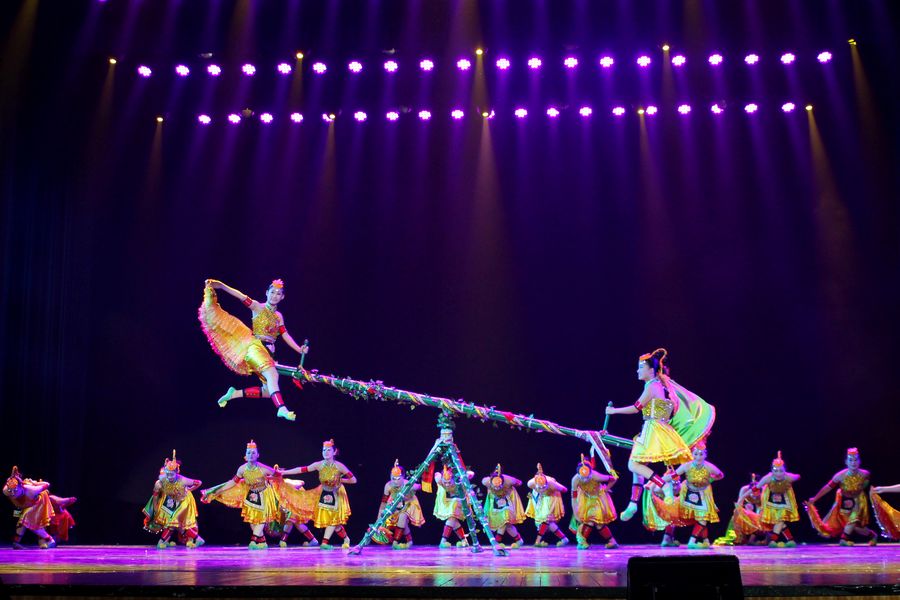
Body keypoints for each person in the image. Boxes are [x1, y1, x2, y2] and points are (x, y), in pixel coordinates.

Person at [605, 349, 715, 521]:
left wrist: (613, 411)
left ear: (651, 370)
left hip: (654, 429)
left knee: (633, 465)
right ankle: (633, 503)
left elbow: (636, 408)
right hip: (656, 429)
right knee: (638, 466)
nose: (637, 370)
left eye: (641, 367)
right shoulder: (659, 385)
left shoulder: (652, 386)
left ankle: (663, 486)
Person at [199, 278, 308, 421]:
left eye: (278, 293)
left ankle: (234, 394)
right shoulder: (257, 307)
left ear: (282, 297)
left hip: (268, 353)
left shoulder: (278, 317)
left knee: (268, 391)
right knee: (272, 375)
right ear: (266, 293)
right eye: (272, 292)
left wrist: (299, 349)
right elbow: (240, 296)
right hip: (255, 347)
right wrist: (221, 286)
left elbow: (285, 335)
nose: (274, 295)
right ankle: (281, 408)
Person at [276, 439, 356, 549]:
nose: (326, 452)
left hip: (336, 492)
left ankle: (324, 543)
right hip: (323, 493)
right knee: (334, 521)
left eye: (329, 450)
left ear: (334, 452)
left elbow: (353, 480)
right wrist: (284, 472)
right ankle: (346, 538)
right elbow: (301, 469)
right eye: (324, 450)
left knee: (333, 518)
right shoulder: (319, 465)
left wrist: (340, 480)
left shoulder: (339, 466)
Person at [200, 440, 280, 549]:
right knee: (252, 522)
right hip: (252, 495)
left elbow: (278, 475)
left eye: (253, 453)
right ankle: (263, 542)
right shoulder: (242, 469)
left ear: (258, 455)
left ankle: (253, 541)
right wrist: (219, 491)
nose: (251, 455)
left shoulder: (264, 468)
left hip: (265, 494)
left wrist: (272, 479)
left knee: (261, 519)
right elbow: (233, 482)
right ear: (245, 455)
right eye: (248, 452)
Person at [806, 448, 877, 546]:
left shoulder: (865, 474)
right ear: (846, 462)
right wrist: (815, 498)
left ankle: (843, 540)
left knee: (854, 519)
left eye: (855, 460)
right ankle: (873, 536)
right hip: (844, 501)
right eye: (850, 460)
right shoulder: (840, 476)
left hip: (858, 501)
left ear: (859, 461)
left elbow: (866, 483)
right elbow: (828, 488)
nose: (853, 462)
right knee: (855, 527)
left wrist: (862, 489)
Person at [142, 450, 204, 549]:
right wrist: (156, 508)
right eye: (168, 474)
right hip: (172, 501)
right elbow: (155, 496)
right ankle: (195, 539)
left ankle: (162, 541)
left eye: (172, 474)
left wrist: (190, 489)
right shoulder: (160, 482)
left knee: (174, 522)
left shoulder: (182, 480)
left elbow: (198, 482)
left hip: (184, 501)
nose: (170, 476)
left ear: (176, 472)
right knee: (171, 522)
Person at [668, 441, 723, 548]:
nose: (698, 457)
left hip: (703, 494)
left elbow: (720, 474)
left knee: (703, 517)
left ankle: (697, 541)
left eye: (701, 454)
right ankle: (698, 541)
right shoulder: (687, 466)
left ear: (705, 455)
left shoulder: (709, 467)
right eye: (696, 454)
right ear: (692, 454)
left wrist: (711, 479)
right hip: (688, 493)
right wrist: (658, 481)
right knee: (679, 514)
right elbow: (673, 476)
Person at [3, 466, 61, 549]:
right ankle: (16, 543)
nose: (13, 494)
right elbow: (16, 500)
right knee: (21, 522)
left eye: (15, 491)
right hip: (24, 505)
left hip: (38, 503)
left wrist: (35, 483)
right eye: (11, 492)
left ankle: (50, 540)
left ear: (20, 487)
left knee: (32, 524)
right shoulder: (6, 490)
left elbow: (47, 484)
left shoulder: (32, 490)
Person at [569, 455, 618, 549]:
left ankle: (583, 541)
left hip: (598, 498)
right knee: (590, 521)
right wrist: (575, 513)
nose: (585, 480)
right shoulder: (575, 480)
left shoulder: (596, 476)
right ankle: (583, 541)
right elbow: (573, 498)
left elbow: (614, 478)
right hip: (585, 499)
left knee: (597, 523)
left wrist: (606, 489)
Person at [376, 460, 425, 549]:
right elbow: (383, 503)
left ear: (403, 477)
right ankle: (410, 541)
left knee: (402, 516)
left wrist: (415, 487)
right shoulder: (388, 486)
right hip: (395, 504)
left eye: (398, 478)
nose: (395, 481)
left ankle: (395, 543)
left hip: (409, 503)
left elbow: (419, 486)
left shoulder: (407, 484)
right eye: (393, 478)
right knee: (403, 522)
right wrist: (378, 520)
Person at [758, 451, 801, 548]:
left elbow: (798, 476)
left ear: (785, 471)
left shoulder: (788, 477)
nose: (778, 474)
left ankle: (773, 540)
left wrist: (793, 477)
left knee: (780, 519)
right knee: (779, 521)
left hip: (785, 501)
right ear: (772, 471)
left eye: (781, 471)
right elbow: (755, 488)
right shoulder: (768, 478)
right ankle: (791, 540)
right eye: (776, 471)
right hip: (771, 501)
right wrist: (742, 497)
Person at [524, 464, 569, 547]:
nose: (541, 488)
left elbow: (564, 489)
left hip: (550, 500)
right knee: (548, 524)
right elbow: (533, 495)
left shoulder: (551, 483)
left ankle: (537, 541)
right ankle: (564, 539)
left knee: (545, 519)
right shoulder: (531, 483)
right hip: (540, 503)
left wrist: (555, 490)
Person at [482, 465, 526, 548]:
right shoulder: (487, 482)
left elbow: (519, 482)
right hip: (495, 505)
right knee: (508, 526)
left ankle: (497, 542)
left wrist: (516, 483)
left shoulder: (508, 480)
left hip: (507, 503)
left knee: (505, 521)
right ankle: (519, 540)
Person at [715, 474, 766, 546]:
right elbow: (739, 504)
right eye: (753, 493)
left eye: (756, 493)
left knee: (760, 520)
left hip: (758, 515)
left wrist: (756, 516)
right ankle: (737, 538)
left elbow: (761, 508)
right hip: (745, 513)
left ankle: (752, 540)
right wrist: (744, 512)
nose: (754, 495)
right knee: (736, 515)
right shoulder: (745, 489)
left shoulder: (763, 492)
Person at [434, 464, 474, 548]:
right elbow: (436, 475)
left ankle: (443, 541)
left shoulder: (458, 481)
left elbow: (471, 474)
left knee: (452, 515)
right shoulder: (440, 481)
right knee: (453, 520)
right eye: (445, 482)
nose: (447, 484)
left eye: (449, 482)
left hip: (459, 503)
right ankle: (464, 541)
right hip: (447, 504)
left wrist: (464, 476)